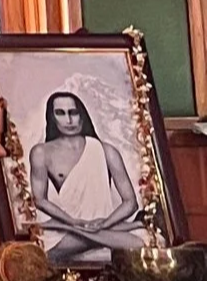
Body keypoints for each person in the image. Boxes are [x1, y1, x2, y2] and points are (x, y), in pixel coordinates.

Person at [26, 89, 147, 262]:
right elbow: (40, 200)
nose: (68, 120)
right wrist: (72, 222)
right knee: (44, 249)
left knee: (139, 244)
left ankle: (112, 230)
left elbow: (130, 203)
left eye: (73, 113)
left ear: (82, 115)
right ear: (52, 117)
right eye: (60, 113)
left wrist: (104, 224)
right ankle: (124, 228)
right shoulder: (41, 152)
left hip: (102, 224)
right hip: (64, 229)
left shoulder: (106, 151)